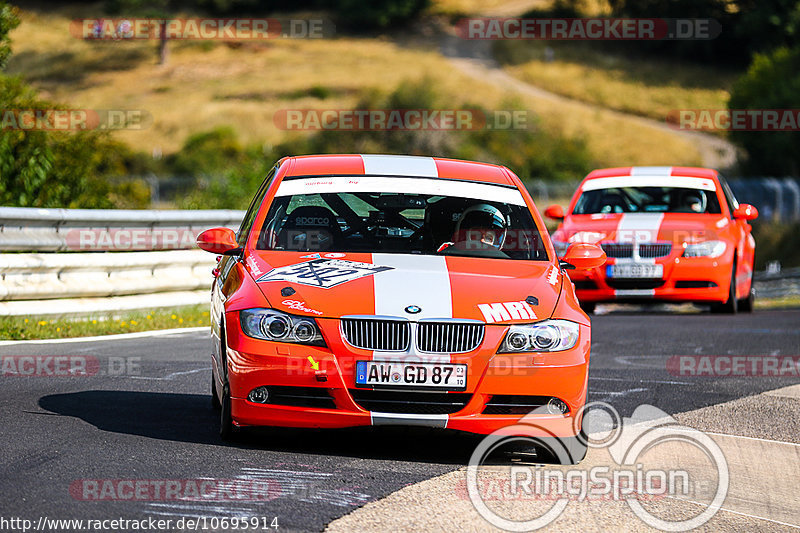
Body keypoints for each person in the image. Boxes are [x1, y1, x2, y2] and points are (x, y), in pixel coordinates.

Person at [437, 203, 509, 257]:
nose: (482, 241)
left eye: (488, 238)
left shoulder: (504, 262)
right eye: (477, 235)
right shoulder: (447, 251)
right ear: (463, 236)